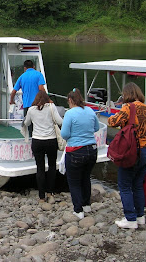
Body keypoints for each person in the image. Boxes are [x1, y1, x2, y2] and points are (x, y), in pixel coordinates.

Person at [108, 82, 146, 229]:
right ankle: (140, 216)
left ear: (126, 94)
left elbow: (112, 122)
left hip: (134, 151)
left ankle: (130, 219)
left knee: (125, 185)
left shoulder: (129, 107)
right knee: (138, 184)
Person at [61, 88, 99, 220]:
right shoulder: (89, 110)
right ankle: (87, 204)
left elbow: (64, 134)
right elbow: (97, 128)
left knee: (74, 181)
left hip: (76, 150)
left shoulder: (70, 113)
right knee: (85, 177)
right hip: (92, 149)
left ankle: (78, 210)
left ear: (71, 100)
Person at [24, 91, 62, 203]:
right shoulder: (51, 107)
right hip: (51, 140)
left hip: (37, 141)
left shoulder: (31, 110)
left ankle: (41, 196)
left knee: (40, 168)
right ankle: (50, 192)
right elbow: (59, 121)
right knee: (51, 166)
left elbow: (26, 123)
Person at [10, 60, 46, 134]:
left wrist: (11, 100)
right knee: (39, 125)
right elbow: (41, 89)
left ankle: (30, 140)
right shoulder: (39, 74)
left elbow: (13, 91)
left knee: (29, 126)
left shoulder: (22, 77)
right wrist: (47, 99)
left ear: (25, 68)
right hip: (38, 104)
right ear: (34, 66)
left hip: (27, 105)